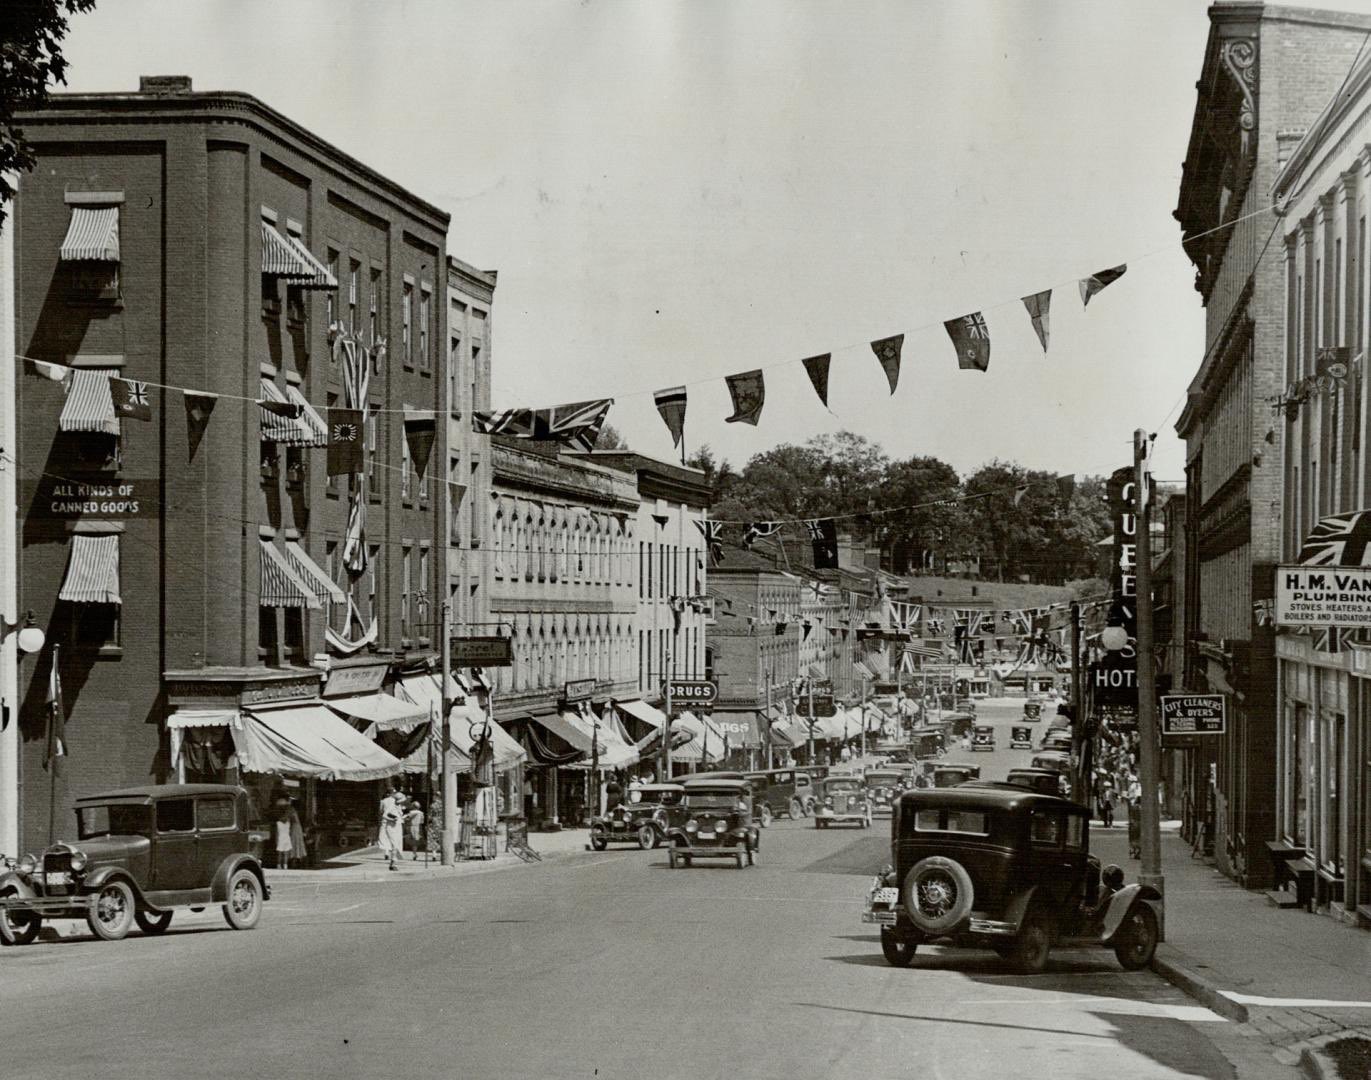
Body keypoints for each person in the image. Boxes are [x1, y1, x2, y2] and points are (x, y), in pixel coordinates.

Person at [378, 789, 406, 871]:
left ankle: (393, 861)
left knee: (397, 844)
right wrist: (392, 819)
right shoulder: (392, 805)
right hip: (391, 826)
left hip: (398, 826)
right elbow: (384, 815)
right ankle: (393, 862)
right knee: (395, 845)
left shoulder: (398, 806)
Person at [273, 800, 293, 870]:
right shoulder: (288, 822)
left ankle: (278, 865)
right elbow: (289, 831)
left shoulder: (278, 823)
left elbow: (276, 833)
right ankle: (285, 865)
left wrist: (276, 840)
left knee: (279, 853)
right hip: (287, 837)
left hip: (280, 838)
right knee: (286, 853)